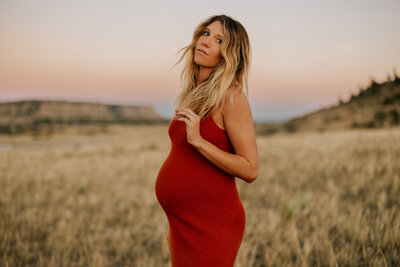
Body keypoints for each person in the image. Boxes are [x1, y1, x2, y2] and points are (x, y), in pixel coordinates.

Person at [155, 14, 259, 267]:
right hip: (183, 224)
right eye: (205, 34)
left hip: (212, 225)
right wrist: (174, 220)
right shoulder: (193, 95)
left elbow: (251, 168)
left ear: (230, 54)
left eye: (219, 39)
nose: (206, 41)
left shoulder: (232, 98)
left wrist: (200, 142)